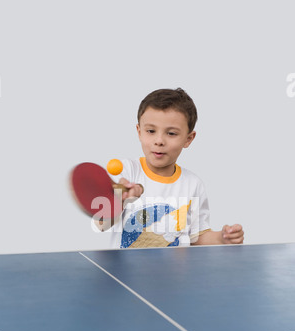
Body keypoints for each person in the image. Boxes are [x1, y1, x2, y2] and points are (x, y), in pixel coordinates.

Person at [93, 88, 244, 249]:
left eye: (171, 133)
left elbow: (197, 237)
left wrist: (222, 238)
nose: (159, 140)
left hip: (177, 273)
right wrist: (119, 201)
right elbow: (101, 224)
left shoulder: (193, 184)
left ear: (188, 139)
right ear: (139, 132)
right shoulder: (126, 171)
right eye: (151, 131)